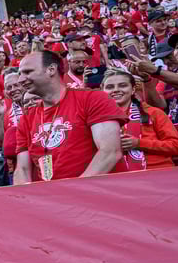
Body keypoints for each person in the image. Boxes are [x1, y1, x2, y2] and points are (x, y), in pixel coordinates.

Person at [15, 50, 125, 184]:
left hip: (100, 195)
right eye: (20, 74)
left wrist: (74, 192)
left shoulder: (92, 99)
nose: (20, 79)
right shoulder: (26, 119)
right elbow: (22, 169)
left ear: (51, 69)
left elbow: (110, 152)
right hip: (53, 198)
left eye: (27, 72)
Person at [101, 70, 178, 170]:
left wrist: (139, 143)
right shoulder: (97, 120)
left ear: (133, 89)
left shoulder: (154, 113)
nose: (116, 90)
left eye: (122, 85)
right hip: (119, 178)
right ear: (102, 91)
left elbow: (177, 146)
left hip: (158, 174)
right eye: (109, 87)